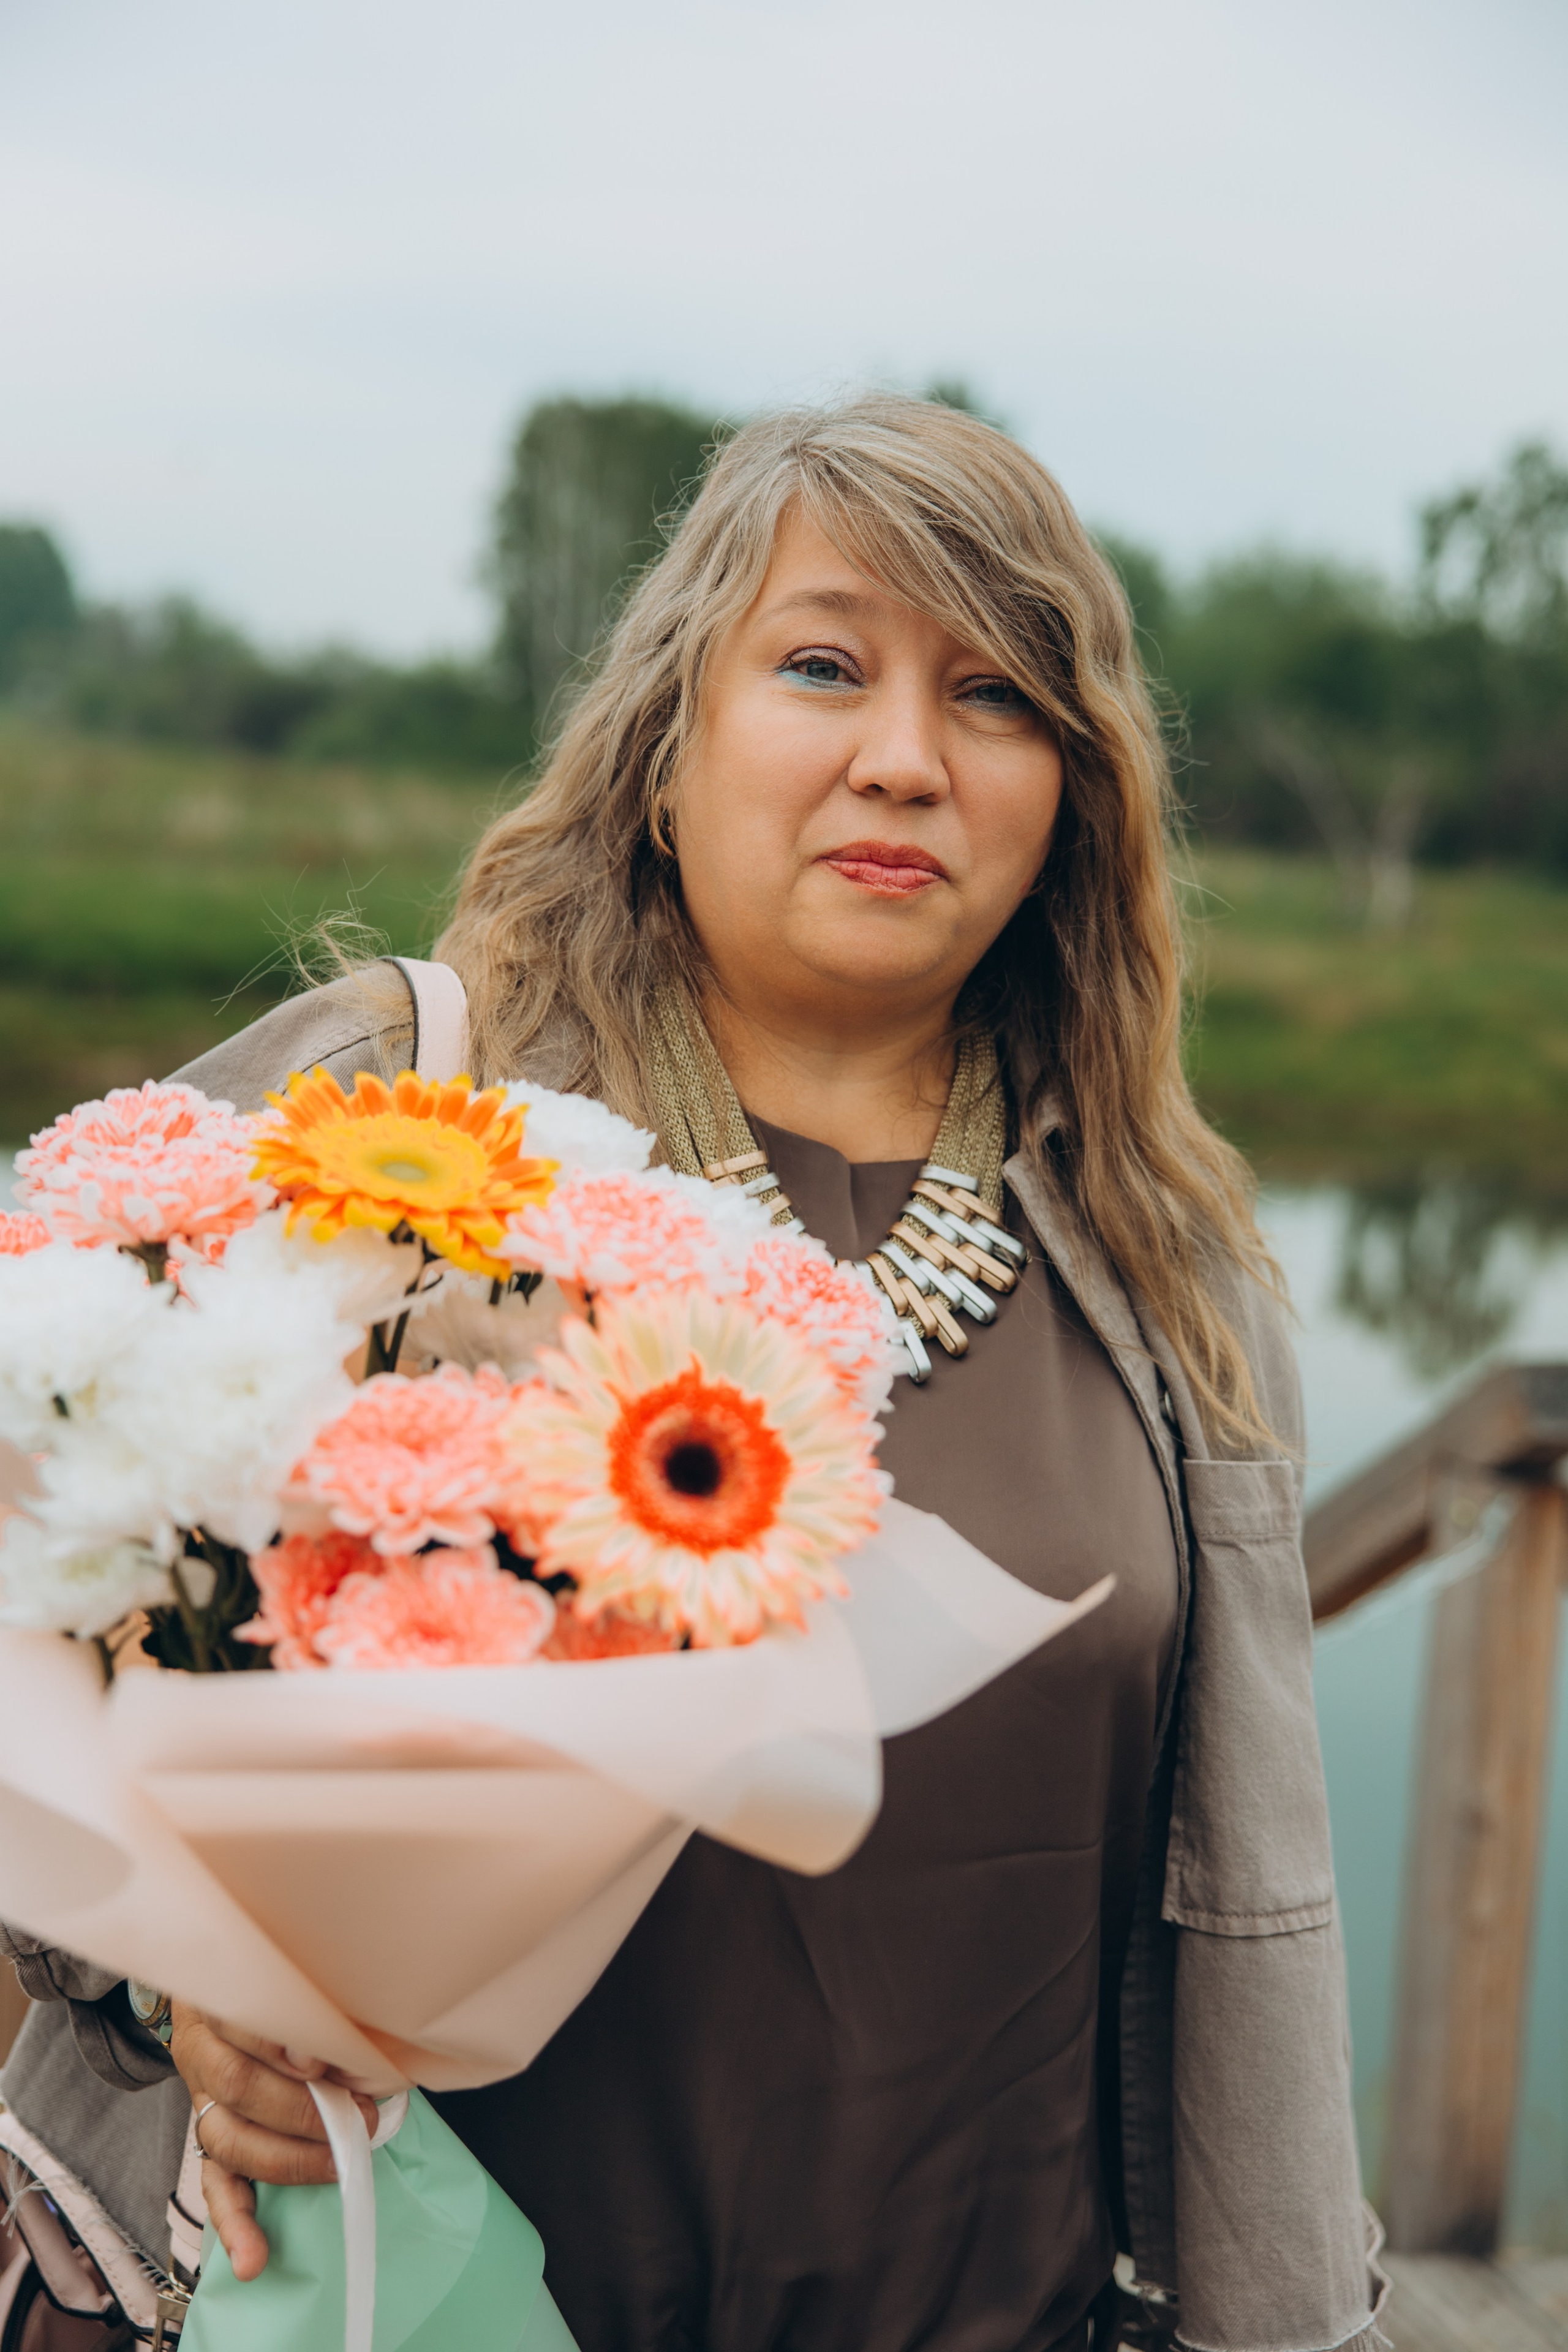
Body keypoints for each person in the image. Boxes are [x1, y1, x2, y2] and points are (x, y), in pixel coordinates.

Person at [3, 395, 1384, 2352]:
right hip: (414, 2308)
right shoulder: (404, 1132)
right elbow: (47, 1579)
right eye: (823, 664)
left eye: (997, 698)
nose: (904, 759)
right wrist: (180, 1990)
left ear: (1073, 790)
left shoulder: (1174, 1263)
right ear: (667, 746)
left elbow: (1237, 1897)